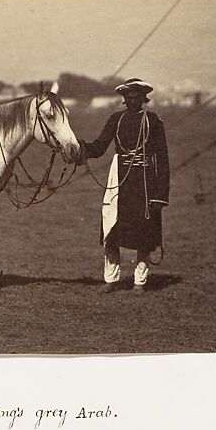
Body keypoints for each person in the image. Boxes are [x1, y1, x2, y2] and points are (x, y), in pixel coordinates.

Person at [79, 78, 170, 291]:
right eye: (128, 97)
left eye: (136, 97)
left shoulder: (153, 121)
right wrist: (79, 148)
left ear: (144, 98)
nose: (132, 101)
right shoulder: (116, 119)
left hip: (145, 182)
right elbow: (99, 147)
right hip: (118, 180)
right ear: (124, 99)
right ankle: (111, 279)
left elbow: (163, 159)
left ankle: (140, 282)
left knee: (144, 233)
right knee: (111, 228)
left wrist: (160, 196)